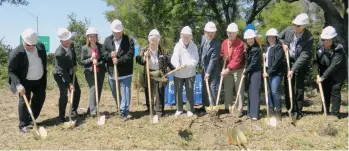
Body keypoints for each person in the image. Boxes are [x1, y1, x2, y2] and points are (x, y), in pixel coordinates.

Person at [8, 28, 47, 133]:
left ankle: (31, 119)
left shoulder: (40, 47)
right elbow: (11, 71)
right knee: (24, 102)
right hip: (24, 81)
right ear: (23, 41)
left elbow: (44, 62)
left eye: (33, 45)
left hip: (39, 80)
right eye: (29, 44)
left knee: (40, 98)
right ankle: (23, 125)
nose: (31, 47)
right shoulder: (16, 53)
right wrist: (18, 84)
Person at [279, 13, 314, 119]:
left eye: (298, 25)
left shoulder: (309, 37)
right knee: (288, 84)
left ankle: (298, 110)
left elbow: (304, 55)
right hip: (288, 60)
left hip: (300, 63)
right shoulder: (289, 30)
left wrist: (293, 69)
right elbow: (278, 37)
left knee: (299, 87)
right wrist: (283, 44)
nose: (295, 26)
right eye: (294, 24)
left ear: (304, 26)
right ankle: (290, 108)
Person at [136, 29, 174, 119]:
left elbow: (168, 62)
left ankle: (159, 110)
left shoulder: (163, 51)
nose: (153, 42)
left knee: (160, 91)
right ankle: (150, 109)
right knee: (149, 91)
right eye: (152, 40)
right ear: (149, 40)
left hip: (160, 72)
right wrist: (144, 57)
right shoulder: (144, 49)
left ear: (158, 40)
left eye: (155, 40)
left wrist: (174, 68)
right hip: (148, 72)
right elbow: (138, 60)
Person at [101, 19, 134, 121]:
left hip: (125, 72)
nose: (116, 34)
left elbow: (130, 55)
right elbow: (103, 52)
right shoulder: (107, 40)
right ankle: (120, 107)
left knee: (126, 92)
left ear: (121, 31)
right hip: (112, 73)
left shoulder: (128, 40)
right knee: (115, 93)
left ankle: (124, 112)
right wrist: (110, 55)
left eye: (118, 32)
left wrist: (118, 60)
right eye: (114, 32)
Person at [316, 26, 347, 119]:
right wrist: (317, 69)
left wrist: (323, 77)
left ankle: (335, 114)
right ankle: (325, 110)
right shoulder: (319, 45)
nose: (325, 41)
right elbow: (317, 58)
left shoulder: (338, 49)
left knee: (335, 89)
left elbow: (333, 66)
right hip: (325, 70)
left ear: (332, 39)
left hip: (338, 73)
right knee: (325, 90)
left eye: (328, 40)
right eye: (324, 39)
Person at [54, 28, 81, 123]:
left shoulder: (71, 45)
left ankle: (73, 111)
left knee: (77, 91)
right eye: (66, 40)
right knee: (64, 95)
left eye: (69, 39)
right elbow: (62, 71)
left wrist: (74, 64)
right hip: (60, 74)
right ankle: (61, 117)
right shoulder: (59, 53)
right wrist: (69, 83)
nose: (68, 41)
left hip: (70, 71)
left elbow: (73, 55)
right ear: (61, 41)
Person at [171, 26, 199, 117]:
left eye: (188, 37)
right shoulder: (178, 46)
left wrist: (187, 65)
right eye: (184, 37)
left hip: (190, 73)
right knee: (178, 91)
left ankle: (190, 109)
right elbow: (174, 57)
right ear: (181, 36)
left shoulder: (194, 46)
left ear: (191, 37)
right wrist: (177, 65)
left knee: (189, 91)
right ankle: (179, 109)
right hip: (178, 73)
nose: (186, 39)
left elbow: (195, 60)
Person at [220, 23, 245, 116]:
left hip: (238, 69)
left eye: (234, 33)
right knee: (227, 88)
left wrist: (228, 69)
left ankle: (239, 109)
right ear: (227, 33)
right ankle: (228, 108)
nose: (232, 34)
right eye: (230, 33)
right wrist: (223, 57)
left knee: (239, 89)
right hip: (227, 68)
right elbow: (222, 53)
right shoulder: (224, 42)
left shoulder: (240, 43)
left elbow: (237, 59)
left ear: (236, 33)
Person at [81, 27, 106, 117]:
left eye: (94, 36)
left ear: (96, 37)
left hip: (100, 72)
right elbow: (82, 61)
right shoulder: (84, 48)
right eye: (90, 36)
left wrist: (98, 63)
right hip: (89, 72)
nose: (92, 38)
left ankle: (92, 108)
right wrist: (91, 59)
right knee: (93, 88)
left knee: (98, 89)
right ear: (88, 37)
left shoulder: (101, 47)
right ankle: (93, 111)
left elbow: (104, 59)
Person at [262, 28, 286, 120]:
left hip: (276, 73)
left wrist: (268, 73)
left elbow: (277, 62)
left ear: (276, 38)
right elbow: (266, 60)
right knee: (268, 92)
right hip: (267, 71)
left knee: (274, 91)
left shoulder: (278, 47)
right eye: (269, 37)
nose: (270, 39)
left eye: (272, 37)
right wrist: (263, 56)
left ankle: (278, 112)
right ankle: (271, 110)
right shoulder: (267, 48)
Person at [198, 21, 221, 112]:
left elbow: (213, 60)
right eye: (208, 32)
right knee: (204, 87)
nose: (210, 34)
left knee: (212, 87)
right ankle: (205, 106)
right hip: (204, 67)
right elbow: (201, 52)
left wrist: (208, 72)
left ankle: (213, 107)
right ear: (205, 32)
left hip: (213, 69)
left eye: (212, 32)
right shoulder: (203, 38)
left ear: (215, 33)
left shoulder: (217, 44)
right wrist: (202, 66)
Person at [243, 29, 262, 121]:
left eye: (251, 38)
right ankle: (250, 113)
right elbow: (248, 61)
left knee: (255, 93)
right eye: (247, 39)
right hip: (250, 73)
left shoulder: (256, 49)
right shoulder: (249, 49)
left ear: (254, 38)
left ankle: (255, 114)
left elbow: (254, 63)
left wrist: (246, 71)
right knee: (250, 93)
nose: (249, 40)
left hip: (256, 73)